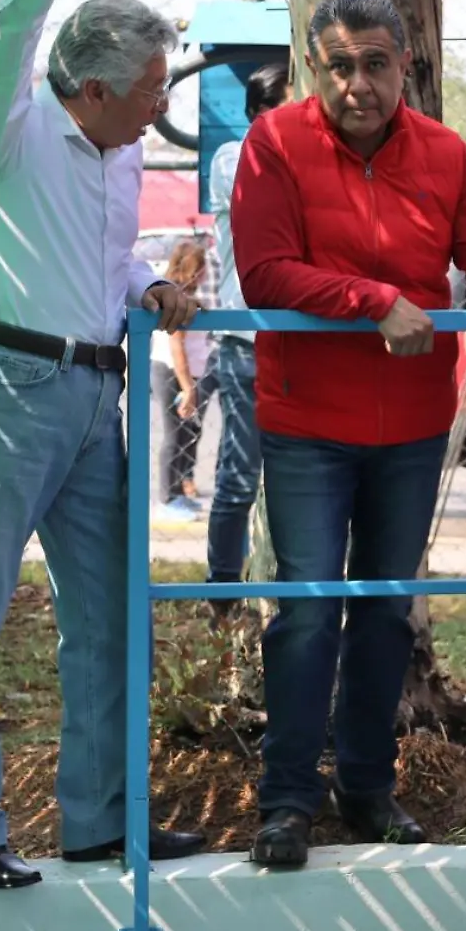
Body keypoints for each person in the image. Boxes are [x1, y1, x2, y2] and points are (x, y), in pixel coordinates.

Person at [230, 0, 466, 868]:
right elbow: (265, 274)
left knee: (382, 610)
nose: (358, 83)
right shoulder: (275, 145)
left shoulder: (445, 154)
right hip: (306, 424)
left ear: (406, 65)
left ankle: (366, 786)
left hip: (409, 426)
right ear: (313, 70)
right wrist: (375, 301)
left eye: (375, 63)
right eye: (339, 66)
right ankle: (286, 800)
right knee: (305, 610)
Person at [0, 0, 203, 889]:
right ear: (95, 88)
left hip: (96, 403)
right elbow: (0, 59)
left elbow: (105, 254)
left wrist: (146, 285)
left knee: (108, 617)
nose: (160, 107)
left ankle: (98, 823)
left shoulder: (119, 152)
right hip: (7, 390)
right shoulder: (9, 132)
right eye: (151, 90)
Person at [202, 63, 289, 623]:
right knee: (240, 475)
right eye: (290, 102)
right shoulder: (236, 157)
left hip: (302, 338)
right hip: (247, 340)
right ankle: (222, 594)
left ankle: (292, 592)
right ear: (259, 113)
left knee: (299, 478)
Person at [150, 240, 215, 522]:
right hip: (174, 375)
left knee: (189, 435)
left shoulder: (191, 296)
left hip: (191, 375)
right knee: (174, 436)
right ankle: (165, 499)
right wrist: (187, 387)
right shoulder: (176, 300)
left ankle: (178, 494)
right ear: (195, 269)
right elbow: (177, 347)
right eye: (202, 268)